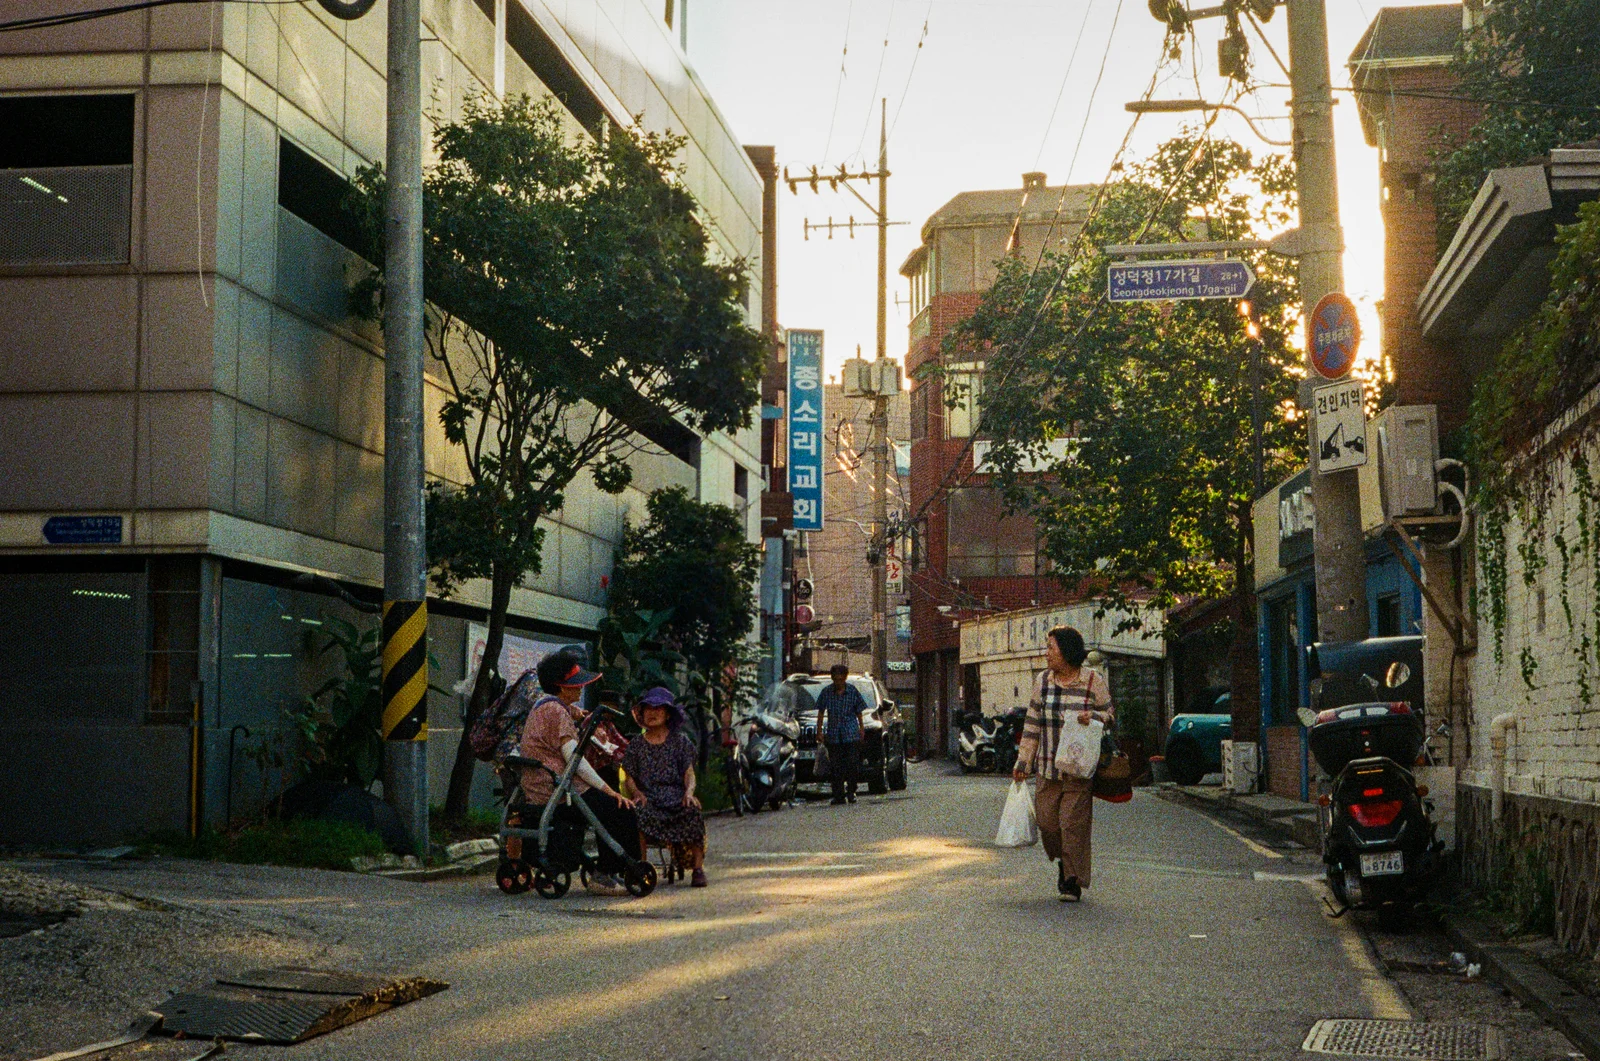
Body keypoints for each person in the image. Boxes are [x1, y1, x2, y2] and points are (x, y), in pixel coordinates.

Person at [517, 650, 640, 897]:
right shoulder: (558, 713)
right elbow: (576, 762)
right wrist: (608, 790)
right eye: (575, 684)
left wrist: (580, 713)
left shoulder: (543, 705)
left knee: (605, 805)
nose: (581, 689)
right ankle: (605, 874)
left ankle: (605, 869)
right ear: (562, 687)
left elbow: (566, 714)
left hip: (538, 788)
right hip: (559, 790)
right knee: (619, 809)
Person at [1012, 626, 1114, 901]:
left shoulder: (1093, 681)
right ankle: (1063, 862)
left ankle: (1071, 880)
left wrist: (1093, 717)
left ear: (1067, 652)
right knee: (1048, 824)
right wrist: (1023, 761)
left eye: (1051, 649)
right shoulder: (1042, 681)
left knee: (1072, 825)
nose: (1046, 654)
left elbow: (1110, 715)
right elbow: (1032, 724)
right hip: (1047, 767)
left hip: (1079, 769)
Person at [621, 687, 708, 888]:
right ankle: (641, 869)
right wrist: (636, 793)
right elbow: (629, 776)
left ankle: (698, 869)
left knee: (692, 809)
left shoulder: (680, 741)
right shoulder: (636, 745)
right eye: (648, 709)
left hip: (675, 796)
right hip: (650, 798)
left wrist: (689, 793)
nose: (652, 713)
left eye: (658, 708)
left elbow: (689, 773)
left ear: (668, 713)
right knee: (638, 813)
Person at [815, 663, 867, 805]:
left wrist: (861, 729)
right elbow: (820, 712)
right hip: (834, 734)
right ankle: (838, 794)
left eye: (840, 679)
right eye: (835, 679)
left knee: (852, 764)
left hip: (850, 733)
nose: (838, 682)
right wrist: (819, 731)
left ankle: (851, 791)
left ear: (845, 678)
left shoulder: (852, 691)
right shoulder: (826, 692)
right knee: (836, 766)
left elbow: (859, 712)